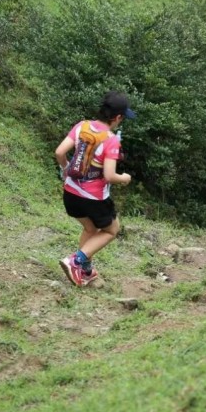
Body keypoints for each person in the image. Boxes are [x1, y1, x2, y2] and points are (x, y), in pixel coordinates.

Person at [55, 91, 135, 286]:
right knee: (111, 230)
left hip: (70, 193)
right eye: (122, 118)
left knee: (90, 228)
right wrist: (124, 178)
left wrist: (66, 169)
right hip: (93, 198)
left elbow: (59, 152)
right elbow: (109, 175)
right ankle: (75, 261)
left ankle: (85, 271)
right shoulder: (111, 139)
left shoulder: (82, 126)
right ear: (117, 117)